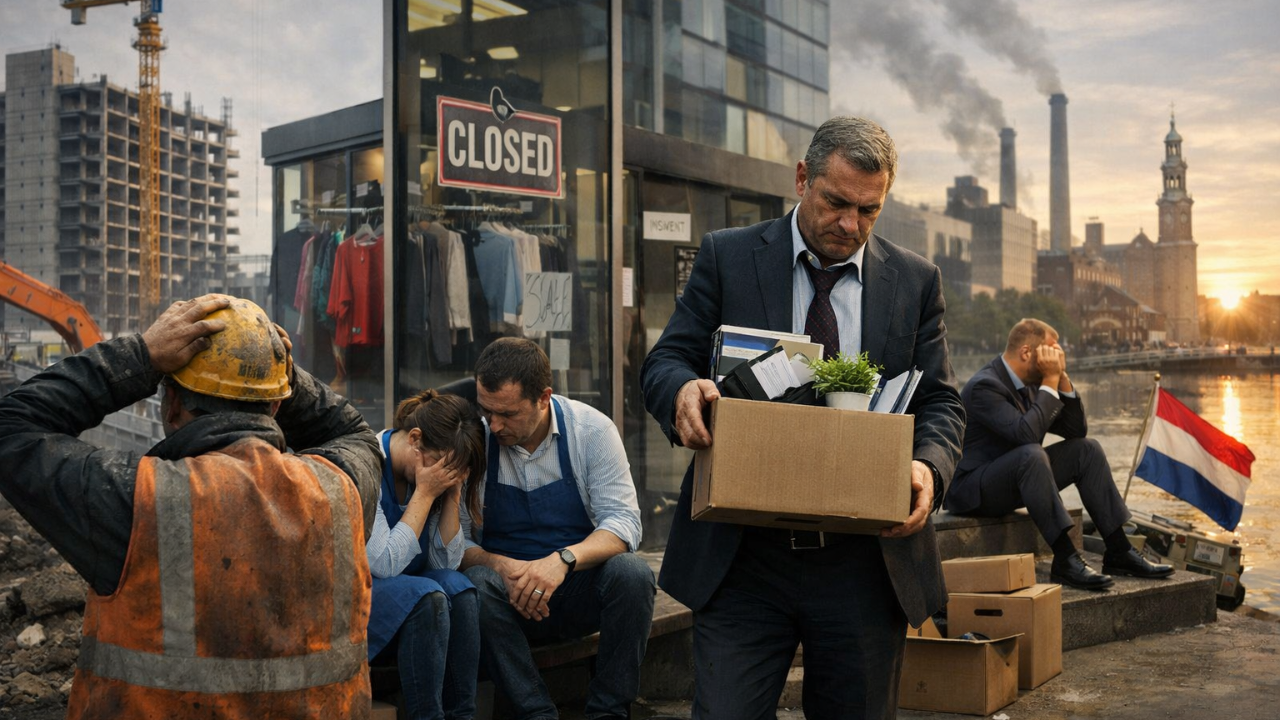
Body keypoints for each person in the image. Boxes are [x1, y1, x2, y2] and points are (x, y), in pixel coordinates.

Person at [640, 116, 965, 719]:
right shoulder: (728, 256)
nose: (851, 225)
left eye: (869, 211)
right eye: (837, 202)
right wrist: (682, 390)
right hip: (742, 557)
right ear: (800, 179)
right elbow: (666, 360)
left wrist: (927, 467)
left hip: (866, 562)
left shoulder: (916, 281)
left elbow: (942, 401)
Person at [0, 295, 383, 718]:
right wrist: (281, 372)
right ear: (277, 405)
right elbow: (356, 434)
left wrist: (142, 357)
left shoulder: (134, 500)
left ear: (173, 405)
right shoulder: (340, 493)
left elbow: (12, 428)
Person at [459, 337, 654, 720]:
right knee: (478, 586)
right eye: (486, 410)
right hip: (507, 599)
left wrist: (562, 561)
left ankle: (608, 712)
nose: (494, 424)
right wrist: (501, 567)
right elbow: (452, 543)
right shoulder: (474, 441)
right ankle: (537, 714)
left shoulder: (592, 431)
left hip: (575, 590)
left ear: (543, 397)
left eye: (508, 414)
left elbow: (624, 523)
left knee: (632, 575)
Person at [945, 318, 1173, 590]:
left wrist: (1061, 378)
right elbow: (1025, 435)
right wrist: (1051, 379)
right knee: (1031, 453)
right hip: (974, 489)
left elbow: (1077, 431)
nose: (1056, 357)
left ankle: (1118, 550)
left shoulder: (1033, 384)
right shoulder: (985, 385)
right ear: (1027, 352)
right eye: (1051, 350)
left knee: (1087, 451)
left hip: (1016, 477)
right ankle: (1065, 558)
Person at [367, 390, 486, 720]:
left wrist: (451, 495)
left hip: (411, 597)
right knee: (429, 596)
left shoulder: (438, 475)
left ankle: (463, 714)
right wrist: (425, 493)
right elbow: (383, 564)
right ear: (415, 438)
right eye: (443, 467)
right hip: (362, 599)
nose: (444, 477)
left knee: (458, 588)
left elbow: (446, 564)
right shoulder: (368, 465)